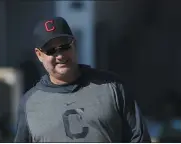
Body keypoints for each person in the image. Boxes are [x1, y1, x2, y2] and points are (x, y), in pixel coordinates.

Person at [14, 17, 151, 142]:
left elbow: (139, 138)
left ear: (74, 44)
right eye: (51, 51)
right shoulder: (29, 104)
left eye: (65, 46)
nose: (60, 56)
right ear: (39, 55)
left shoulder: (112, 87)